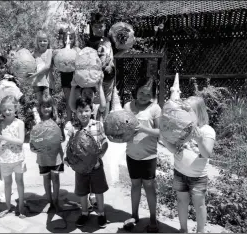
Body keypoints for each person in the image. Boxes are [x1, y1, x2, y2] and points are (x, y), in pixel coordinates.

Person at [161, 96, 215, 233]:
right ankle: (183, 229)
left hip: (198, 177)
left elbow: (206, 154)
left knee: (200, 205)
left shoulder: (207, 130)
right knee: (181, 202)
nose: (184, 114)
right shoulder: (181, 128)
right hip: (180, 172)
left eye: (188, 111)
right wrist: (164, 139)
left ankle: (200, 231)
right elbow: (174, 150)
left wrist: (199, 140)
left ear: (199, 113)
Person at [122, 78, 161, 233]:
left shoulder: (155, 108)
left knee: (149, 187)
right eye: (141, 92)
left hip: (149, 157)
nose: (144, 96)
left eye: (147, 93)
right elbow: (123, 126)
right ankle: (134, 216)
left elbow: (160, 132)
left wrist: (143, 129)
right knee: (135, 185)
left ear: (153, 95)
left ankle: (153, 218)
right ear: (136, 90)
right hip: (131, 154)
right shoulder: (128, 106)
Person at [64, 97, 109, 228]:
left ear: (91, 111)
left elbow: (104, 141)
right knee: (82, 192)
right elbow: (69, 146)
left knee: (99, 191)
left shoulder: (98, 125)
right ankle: (84, 213)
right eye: (80, 111)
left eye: (86, 110)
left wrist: (101, 153)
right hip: (80, 168)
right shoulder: (73, 128)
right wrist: (67, 158)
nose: (83, 114)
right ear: (76, 113)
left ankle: (101, 214)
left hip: (96, 166)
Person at [0, 95, 27, 219]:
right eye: (4, 110)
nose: (7, 112)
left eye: (10, 109)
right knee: (7, 184)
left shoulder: (20, 123)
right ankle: (8, 207)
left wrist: (4, 138)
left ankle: (21, 207)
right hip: (4, 159)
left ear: (16, 109)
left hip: (18, 159)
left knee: (19, 182)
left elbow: (21, 141)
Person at [29, 96, 64, 212]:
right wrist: (33, 149)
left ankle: (56, 201)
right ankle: (50, 203)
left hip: (56, 157)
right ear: (40, 108)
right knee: (46, 179)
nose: (46, 109)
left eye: (48, 106)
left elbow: (62, 138)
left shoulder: (58, 121)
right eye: (43, 106)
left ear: (52, 107)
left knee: (55, 179)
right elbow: (32, 141)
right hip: (43, 158)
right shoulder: (36, 123)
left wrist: (57, 139)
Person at [85, 12, 116, 119]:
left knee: (107, 99)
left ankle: (106, 123)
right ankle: (96, 123)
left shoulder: (109, 40)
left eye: (101, 26)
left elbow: (113, 55)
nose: (99, 29)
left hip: (110, 76)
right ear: (92, 27)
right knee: (97, 101)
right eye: (96, 26)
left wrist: (126, 49)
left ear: (105, 26)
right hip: (97, 77)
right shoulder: (90, 42)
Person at [58, 26, 81, 121]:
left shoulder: (78, 50)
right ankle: (68, 121)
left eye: (71, 38)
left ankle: (77, 121)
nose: (68, 41)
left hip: (76, 78)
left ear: (74, 39)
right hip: (65, 77)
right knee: (68, 101)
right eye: (66, 38)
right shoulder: (61, 51)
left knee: (77, 101)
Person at [27, 30, 55, 102]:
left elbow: (47, 66)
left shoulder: (49, 51)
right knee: (39, 103)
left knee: (47, 102)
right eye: (40, 41)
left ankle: (54, 113)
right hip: (37, 82)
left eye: (45, 41)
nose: (42, 43)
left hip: (47, 82)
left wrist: (34, 75)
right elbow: (27, 61)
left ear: (48, 41)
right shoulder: (35, 53)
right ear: (37, 42)